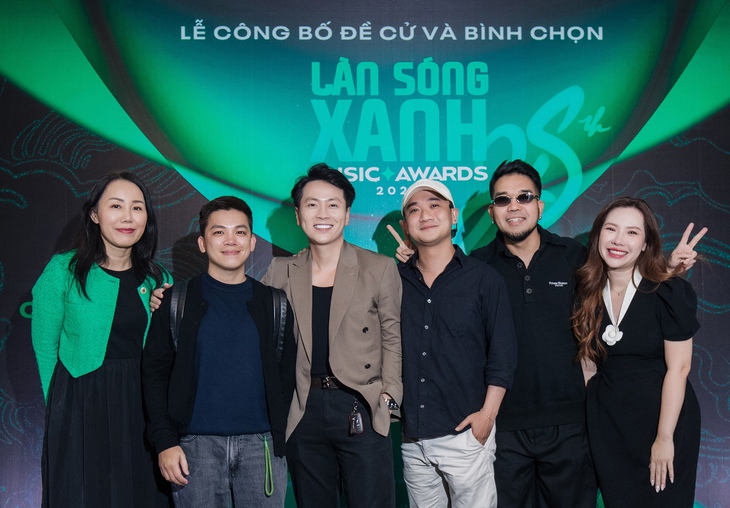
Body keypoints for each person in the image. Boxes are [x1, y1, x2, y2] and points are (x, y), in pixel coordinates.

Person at [389, 159, 705, 507]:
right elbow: (436, 290)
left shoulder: (576, 257)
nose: (514, 207)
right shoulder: (476, 269)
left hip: (573, 426)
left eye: (524, 197)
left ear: (539, 206)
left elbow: (627, 279)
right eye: (503, 200)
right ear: (492, 212)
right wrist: (415, 257)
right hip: (504, 428)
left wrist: (668, 270)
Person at [262, 163, 402, 508]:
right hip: (303, 407)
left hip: (361, 403)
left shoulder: (379, 267)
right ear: (298, 216)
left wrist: (389, 397)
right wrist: (175, 297)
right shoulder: (280, 271)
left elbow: (393, 337)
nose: (322, 213)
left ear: (348, 214)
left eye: (333, 204)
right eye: (312, 204)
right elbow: (244, 317)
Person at [142, 196, 296, 507]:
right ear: (202, 243)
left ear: (252, 242)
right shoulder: (175, 302)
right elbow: (153, 378)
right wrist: (165, 442)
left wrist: (275, 438)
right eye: (218, 232)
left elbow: (285, 377)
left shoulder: (275, 303)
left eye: (240, 232)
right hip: (193, 450)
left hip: (261, 448)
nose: (230, 240)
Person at [31, 171, 171, 507]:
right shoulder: (63, 270)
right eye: (116, 206)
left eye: (137, 208)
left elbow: (167, 353)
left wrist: (163, 312)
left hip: (141, 406)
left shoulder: (158, 278)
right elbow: (45, 346)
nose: (128, 217)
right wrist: (60, 406)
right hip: (80, 403)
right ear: (95, 215)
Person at [573, 197, 702, 507]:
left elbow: (679, 369)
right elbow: (588, 366)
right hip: (609, 426)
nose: (618, 240)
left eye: (632, 232)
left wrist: (665, 438)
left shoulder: (669, 291)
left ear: (645, 244)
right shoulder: (586, 292)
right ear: (598, 235)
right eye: (611, 229)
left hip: (663, 422)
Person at [396, 179, 517, 508]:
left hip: (466, 435)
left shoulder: (483, 278)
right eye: (414, 210)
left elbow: (503, 353)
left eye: (435, 206)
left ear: (453, 216)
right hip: (412, 438)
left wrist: (486, 417)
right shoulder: (394, 281)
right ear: (405, 226)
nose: (425, 215)